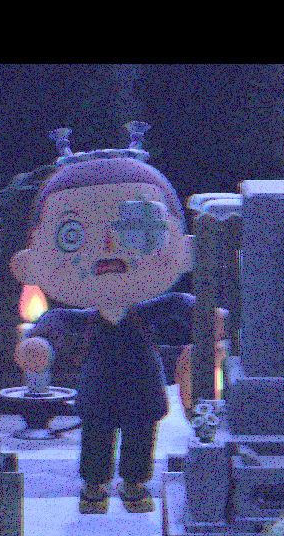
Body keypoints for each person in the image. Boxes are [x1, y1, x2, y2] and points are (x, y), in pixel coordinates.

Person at [11, 122, 198, 514]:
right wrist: (38, 343)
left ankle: (134, 483)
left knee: (140, 435)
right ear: (30, 263)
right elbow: (57, 322)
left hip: (142, 386)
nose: (109, 247)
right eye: (72, 235)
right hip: (99, 387)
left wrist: (209, 322)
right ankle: (94, 485)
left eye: (137, 229)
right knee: (96, 436)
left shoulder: (148, 310)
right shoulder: (85, 318)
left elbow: (182, 307)